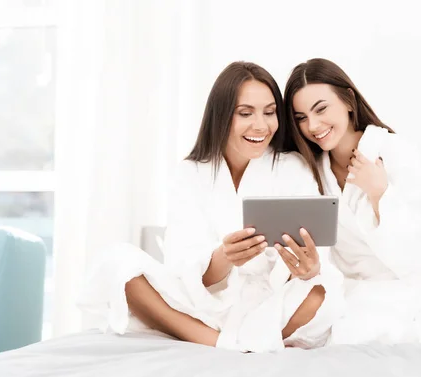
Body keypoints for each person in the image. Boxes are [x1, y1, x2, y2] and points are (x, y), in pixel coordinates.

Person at [77, 61, 345, 352]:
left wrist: (306, 268)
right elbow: (182, 265)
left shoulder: (291, 167)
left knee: (322, 293)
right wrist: (224, 257)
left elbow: (315, 256)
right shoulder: (190, 173)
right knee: (117, 263)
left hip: (271, 304)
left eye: (270, 113)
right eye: (245, 113)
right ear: (221, 115)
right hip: (204, 306)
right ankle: (220, 341)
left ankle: (232, 339)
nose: (261, 125)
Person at [281, 58, 421, 347]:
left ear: (348, 100)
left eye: (321, 109)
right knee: (344, 328)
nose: (313, 125)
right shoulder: (310, 170)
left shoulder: (394, 151)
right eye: (301, 118)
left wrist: (381, 193)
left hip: (416, 284)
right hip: (355, 292)